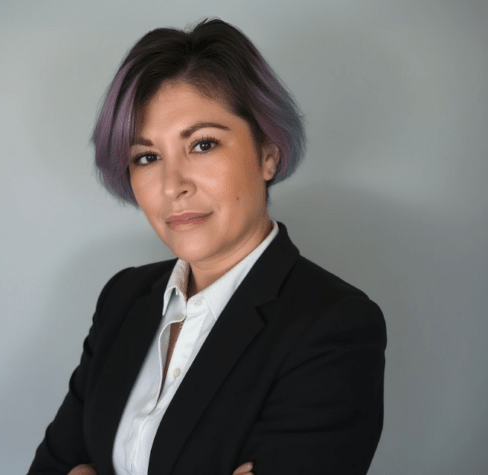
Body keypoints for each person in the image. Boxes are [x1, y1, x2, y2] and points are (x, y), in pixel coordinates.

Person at [28, 18, 386, 475]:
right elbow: (53, 466)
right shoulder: (124, 298)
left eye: (202, 144)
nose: (172, 185)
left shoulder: (333, 326)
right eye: (147, 157)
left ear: (268, 153)